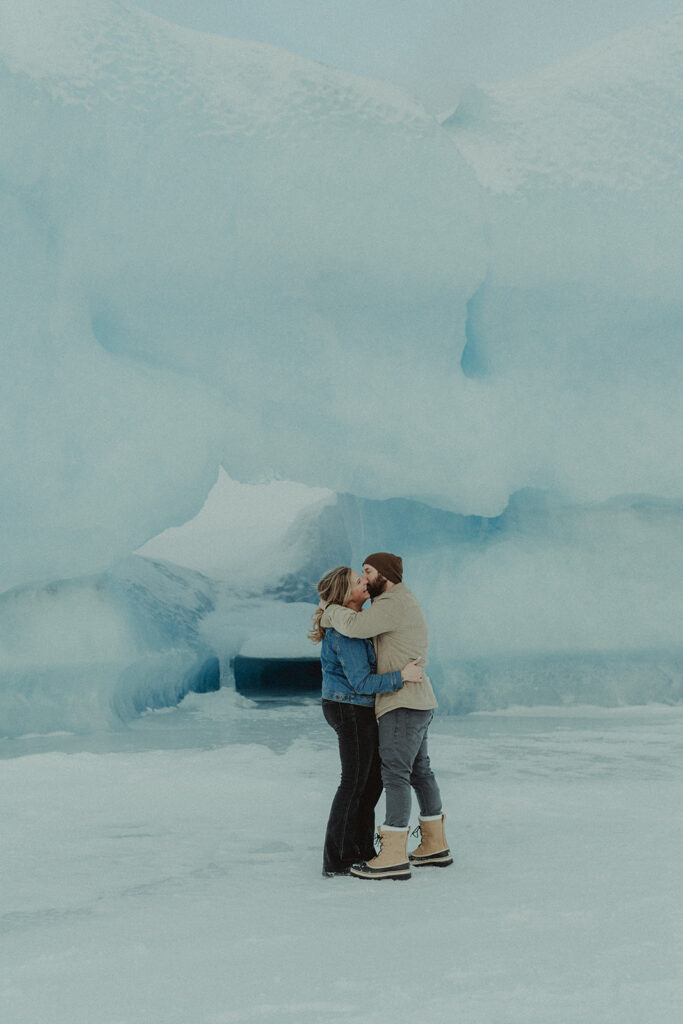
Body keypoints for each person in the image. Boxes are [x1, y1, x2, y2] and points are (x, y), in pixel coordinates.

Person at [320, 552, 452, 880]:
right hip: (406, 700)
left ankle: (392, 852)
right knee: (413, 772)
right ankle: (430, 844)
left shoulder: (391, 603)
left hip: (402, 701)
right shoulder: (394, 603)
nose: (364, 579)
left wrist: (328, 610)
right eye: (359, 577)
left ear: (385, 574)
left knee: (393, 774)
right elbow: (355, 647)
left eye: (367, 572)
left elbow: (355, 625)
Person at [310, 565, 424, 878]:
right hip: (349, 707)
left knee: (370, 781)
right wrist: (401, 677)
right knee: (354, 782)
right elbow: (360, 682)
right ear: (346, 596)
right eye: (358, 582)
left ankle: (361, 848)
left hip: (354, 707)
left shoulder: (354, 623)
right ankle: (337, 859)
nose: (365, 583)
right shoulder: (346, 633)